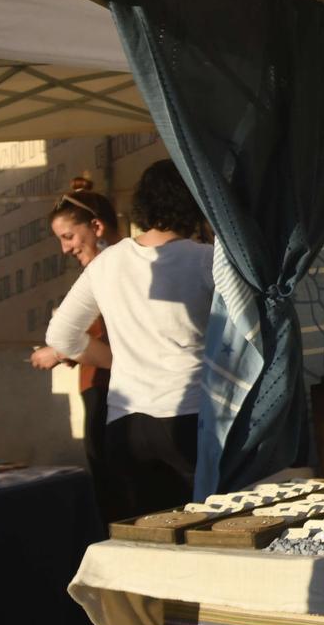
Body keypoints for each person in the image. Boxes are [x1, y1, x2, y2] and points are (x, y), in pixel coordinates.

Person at [45, 160, 214, 520]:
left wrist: (117, 360)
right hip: (188, 416)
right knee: (203, 536)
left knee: (139, 537)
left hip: (124, 424)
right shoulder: (206, 260)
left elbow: (60, 334)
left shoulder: (107, 262)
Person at [29, 178, 124, 625]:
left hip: (113, 401)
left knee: (116, 523)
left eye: (69, 236)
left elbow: (119, 353)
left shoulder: (110, 270)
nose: (66, 247)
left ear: (96, 227)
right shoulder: (110, 269)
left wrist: (61, 348)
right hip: (105, 396)